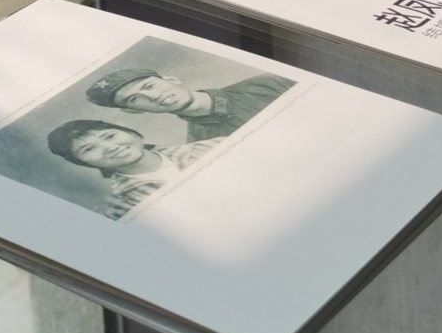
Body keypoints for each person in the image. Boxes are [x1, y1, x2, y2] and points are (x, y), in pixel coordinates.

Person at [46, 118, 212, 218]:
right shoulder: (122, 207)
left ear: (131, 133)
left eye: (110, 136)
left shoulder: (207, 147)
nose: (111, 147)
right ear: (82, 162)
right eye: (88, 149)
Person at [83, 64, 292, 142]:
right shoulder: (200, 144)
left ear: (172, 80)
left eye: (149, 86)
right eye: (135, 99)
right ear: (133, 112)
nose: (153, 96)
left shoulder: (270, 83)